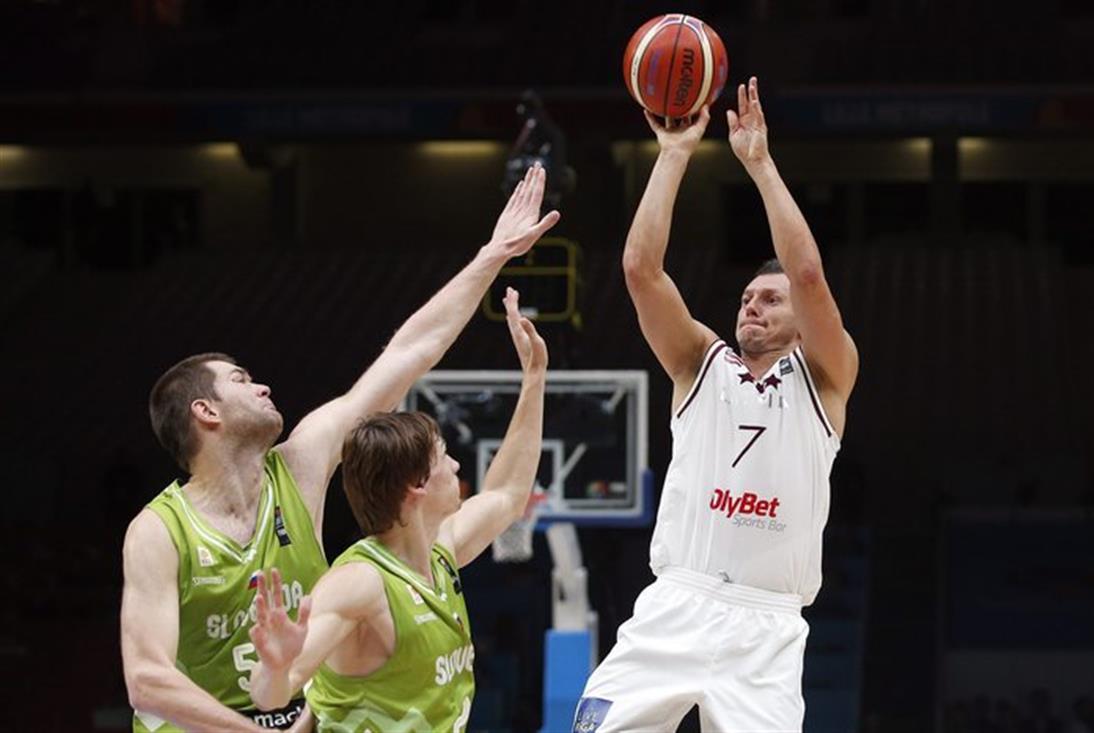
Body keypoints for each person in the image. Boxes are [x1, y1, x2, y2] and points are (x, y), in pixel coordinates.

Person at [120, 166, 560, 733]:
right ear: (205, 412)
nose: (262, 385)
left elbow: (410, 351)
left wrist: (491, 255)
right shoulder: (159, 531)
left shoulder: (300, 464)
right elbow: (147, 681)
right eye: (240, 379)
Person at [573, 77, 859, 732]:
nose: (750, 305)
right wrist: (673, 152)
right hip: (677, 602)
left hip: (767, 624)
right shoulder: (699, 361)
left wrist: (758, 164)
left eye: (769, 298)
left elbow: (809, 276)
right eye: (746, 297)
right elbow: (641, 270)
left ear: (799, 319)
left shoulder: (826, 377)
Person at [244, 287, 547, 733]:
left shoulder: (440, 552)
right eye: (445, 455)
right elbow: (271, 693)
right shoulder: (358, 585)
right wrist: (274, 665)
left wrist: (535, 378)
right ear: (418, 485)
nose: (457, 465)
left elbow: (507, 495)